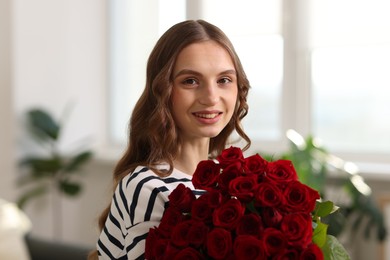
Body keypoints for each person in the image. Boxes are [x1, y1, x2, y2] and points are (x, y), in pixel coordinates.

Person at [90, 19, 251, 259]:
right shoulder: (148, 187)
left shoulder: (231, 183)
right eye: (190, 81)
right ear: (163, 91)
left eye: (223, 80)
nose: (211, 97)